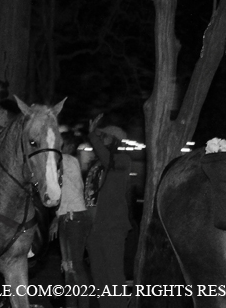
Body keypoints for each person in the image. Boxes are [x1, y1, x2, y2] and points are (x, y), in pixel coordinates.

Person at [85, 116, 133, 308]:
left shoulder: (122, 160)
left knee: (113, 273)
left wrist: (92, 135)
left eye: (104, 136)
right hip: (94, 227)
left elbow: (107, 159)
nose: (101, 138)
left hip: (112, 225)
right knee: (98, 275)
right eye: (100, 136)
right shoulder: (97, 164)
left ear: (114, 140)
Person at [51, 135, 90, 308]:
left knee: (75, 266)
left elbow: (59, 189)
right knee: (68, 267)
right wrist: (57, 217)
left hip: (73, 217)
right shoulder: (68, 161)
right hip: (68, 216)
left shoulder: (66, 160)